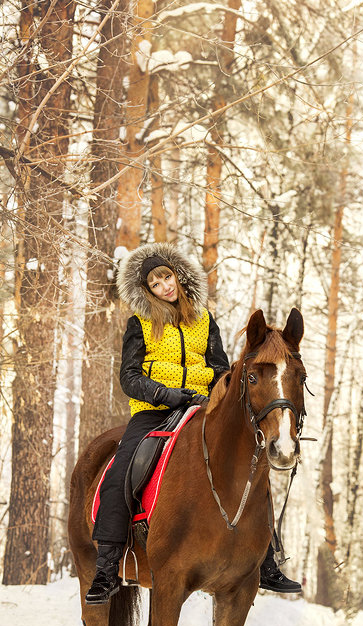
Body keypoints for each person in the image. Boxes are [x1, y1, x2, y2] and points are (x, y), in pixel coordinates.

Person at [86, 243, 302, 604]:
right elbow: (129, 377)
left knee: (251, 463)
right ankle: (107, 568)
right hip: (153, 411)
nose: (164, 287)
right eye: (155, 284)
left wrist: (213, 392)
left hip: (202, 408)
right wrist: (170, 395)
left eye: (166, 278)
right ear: (148, 291)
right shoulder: (140, 324)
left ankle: (267, 561)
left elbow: (220, 368)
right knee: (124, 468)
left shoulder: (203, 319)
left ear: (177, 276)